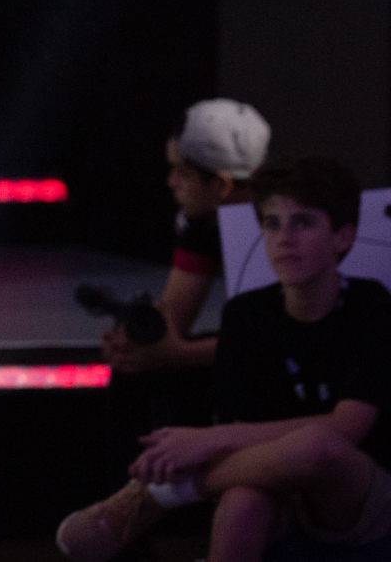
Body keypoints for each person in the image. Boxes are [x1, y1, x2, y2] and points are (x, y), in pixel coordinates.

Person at [57, 155, 391, 562]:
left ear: (343, 237)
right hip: (273, 481)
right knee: (242, 503)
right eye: (272, 224)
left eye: (302, 222)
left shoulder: (372, 306)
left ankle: (159, 496)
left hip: (354, 492)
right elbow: (240, 427)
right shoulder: (246, 314)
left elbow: (347, 428)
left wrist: (206, 440)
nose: (284, 237)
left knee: (318, 445)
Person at [99, 100, 272, 449]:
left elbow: (275, 343)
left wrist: (176, 354)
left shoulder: (280, 229)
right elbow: (173, 320)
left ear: (221, 186)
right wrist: (136, 342)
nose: (171, 182)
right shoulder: (203, 225)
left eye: (182, 172)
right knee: (138, 372)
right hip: (264, 353)